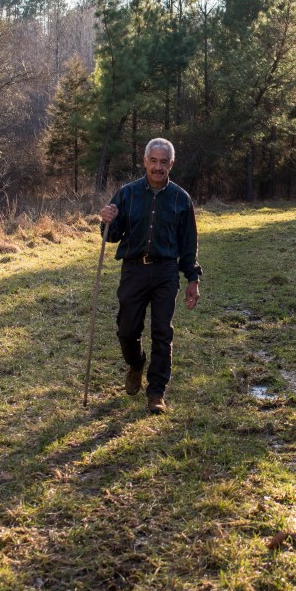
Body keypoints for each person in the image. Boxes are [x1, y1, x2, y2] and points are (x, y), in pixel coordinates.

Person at [99, 138, 201, 414]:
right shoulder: (127, 194)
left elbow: (188, 243)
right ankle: (136, 363)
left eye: (163, 162)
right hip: (133, 269)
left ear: (171, 164)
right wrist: (107, 220)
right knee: (127, 329)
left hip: (166, 270)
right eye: (153, 161)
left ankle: (156, 392)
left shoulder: (181, 199)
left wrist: (192, 279)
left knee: (162, 332)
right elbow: (113, 235)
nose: (158, 167)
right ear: (144, 161)